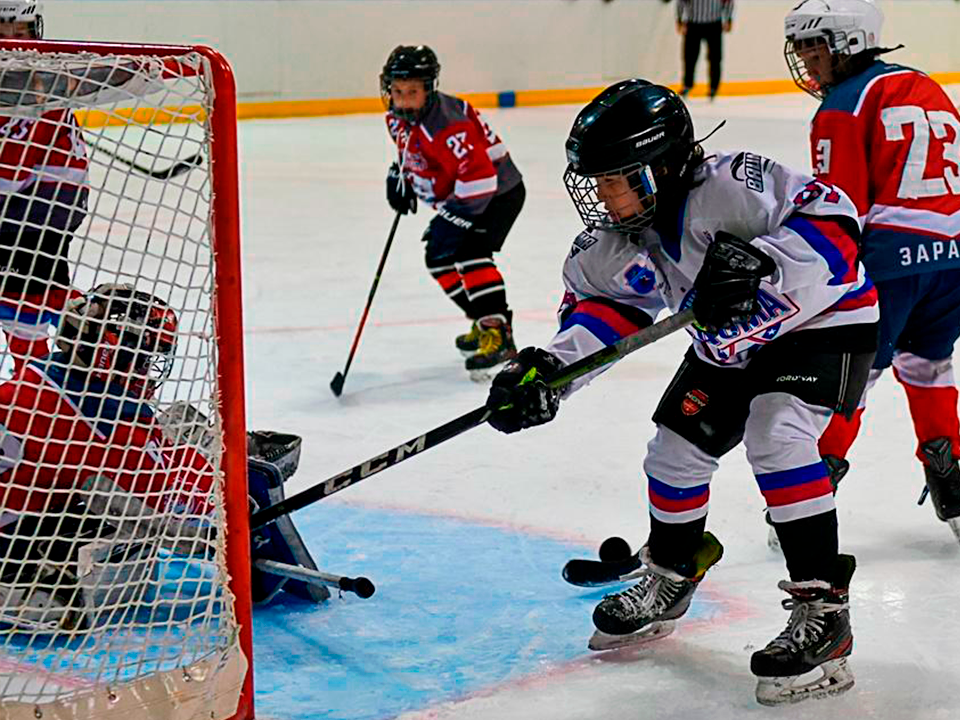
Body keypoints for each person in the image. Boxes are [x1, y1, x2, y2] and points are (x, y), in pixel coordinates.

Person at [485, 80, 879, 705]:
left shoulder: (734, 185)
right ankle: (671, 573)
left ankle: (824, 612)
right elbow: (606, 313)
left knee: (776, 438)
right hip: (730, 341)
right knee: (673, 450)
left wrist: (766, 262)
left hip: (824, 322)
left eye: (615, 180)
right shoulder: (618, 238)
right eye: (597, 182)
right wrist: (546, 372)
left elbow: (837, 219)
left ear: (662, 164)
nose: (602, 198)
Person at [0, 283, 328, 632]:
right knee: (111, 541)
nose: (147, 371)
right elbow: (176, 523)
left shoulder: (47, 378)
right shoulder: (89, 428)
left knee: (172, 422)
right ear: (108, 353)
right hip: (13, 541)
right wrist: (233, 497)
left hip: (27, 501)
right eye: (141, 358)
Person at [785, 0, 960, 540]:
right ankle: (954, 485)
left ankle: (812, 488)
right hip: (952, 255)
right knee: (930, 365)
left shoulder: (843, 104)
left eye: (817, 47)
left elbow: (841, 210)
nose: (808, 61)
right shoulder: (925, 84)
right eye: (803, 49)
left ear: (850, 42)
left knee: (853, 374)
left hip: (889, 261)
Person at [380, 45, 525, 377]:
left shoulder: (448, 124)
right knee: (438, 258)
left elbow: (481, 177)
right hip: (466, 196)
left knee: (470, 251)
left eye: (412, 92)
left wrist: (455, 219)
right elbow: (415, 153)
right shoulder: (397, 118)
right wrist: (400, 176)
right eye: (397, 91)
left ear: (429, 89)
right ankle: (484, 323)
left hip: (498, 194)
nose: (403, 100)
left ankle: (497, 332)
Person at [0, 1, 89, 371]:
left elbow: (13, 170)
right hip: (51, 197)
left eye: (22, 33)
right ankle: (94, 323)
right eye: (5, 34)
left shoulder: (31, 82)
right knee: (37, 284)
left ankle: (31, 377)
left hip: (40, 199)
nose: (15, 43)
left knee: (19, 290)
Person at [676, 0, 734, 100]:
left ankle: (713, 87)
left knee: (715, 57)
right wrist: (680, 19)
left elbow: (728, 2)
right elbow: (681, 2)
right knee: (690, 56)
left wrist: (728, 19)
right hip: (693, 23)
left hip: (714, 24)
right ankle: (687, 84)